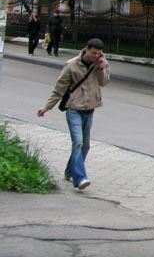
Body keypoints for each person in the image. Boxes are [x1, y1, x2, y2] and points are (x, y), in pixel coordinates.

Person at [37, 38, 110, 191]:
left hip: (90, 109)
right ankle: (80, 178)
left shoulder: (101, 63)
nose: (96, 56)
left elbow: (103, 83)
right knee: (78, 142)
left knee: (86, 146)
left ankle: (69, 171)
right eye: (93, 53)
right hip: (74, 109)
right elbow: (59, 88)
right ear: (86, 49)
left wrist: (102, 68)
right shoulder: (71, 65)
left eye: (99, 53)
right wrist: (47, 107)